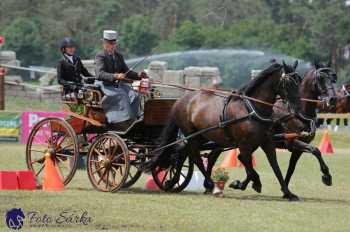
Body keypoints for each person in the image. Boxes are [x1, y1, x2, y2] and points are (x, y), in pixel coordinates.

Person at [95, 30, 147, 130]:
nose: (112, 46)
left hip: (118, 85)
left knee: (135, 94)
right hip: (105, 85)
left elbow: (127, 72)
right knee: (122, 95)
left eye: (113, 43)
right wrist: (115, 76)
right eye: (109, 43)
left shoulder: (119, 56)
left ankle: (134, 118)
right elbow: (99, 74)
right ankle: (123, 121)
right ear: (104, 44)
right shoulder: (100, 56)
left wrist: (139, 75)